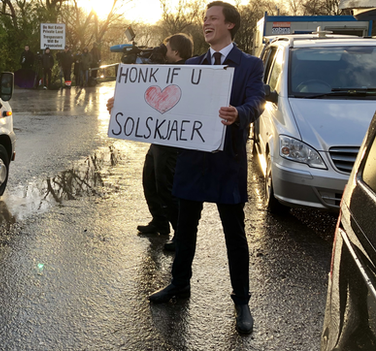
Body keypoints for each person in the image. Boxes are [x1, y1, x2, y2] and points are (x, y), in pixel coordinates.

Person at [147, 1, 265, 336]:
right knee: (185, 229)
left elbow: (257, 100)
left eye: (212, 18)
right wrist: (123, 104)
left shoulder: (250, 65)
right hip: (191, 161)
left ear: (230, 24)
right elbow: (163, 103)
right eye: (204, 19)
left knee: (234, 234)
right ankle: (179, 285)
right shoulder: (193, 65)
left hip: (225, 162)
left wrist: (239, 113)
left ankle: (241, 301)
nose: (205, 23)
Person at [106, 34, 193, 239]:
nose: (162, 51)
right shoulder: (162, 71)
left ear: (176, 52)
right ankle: (160, 222)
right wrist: (119, 104)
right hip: (158, 136)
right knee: (150, 179)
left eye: (166, 48)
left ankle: (181, 235)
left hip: (172, 138)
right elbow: (142, 94)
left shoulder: (188, 71)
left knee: (165, 186)